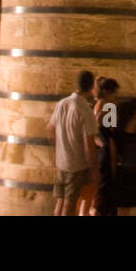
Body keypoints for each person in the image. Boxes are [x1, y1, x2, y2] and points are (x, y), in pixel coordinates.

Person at [45, 70, 98, 216]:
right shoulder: (85, 110)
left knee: (60, 202)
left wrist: (58, 149)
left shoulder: (63, 103)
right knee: (70, 204)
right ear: (92, 85)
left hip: (61, 163)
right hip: (76, 165)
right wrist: (93, 169)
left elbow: (49, 129)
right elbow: (89, 144)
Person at [85, 76, 119, 216]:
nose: (115, 96)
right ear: (107, 92)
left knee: (102, 193)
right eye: (114, 93)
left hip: (102, 152)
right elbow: (108, 130)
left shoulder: (101, 103)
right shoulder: (108, 105)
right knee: (105, 194)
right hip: (106, 153)